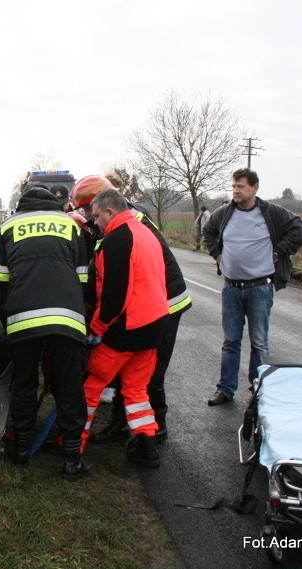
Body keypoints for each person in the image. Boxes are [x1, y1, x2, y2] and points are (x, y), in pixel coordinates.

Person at [70, 175, 192, 445]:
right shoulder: (124, 222)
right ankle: (129, 427)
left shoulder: (125, 228)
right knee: (135, 378)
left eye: (92, 212)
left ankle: (156, 427)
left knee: (150, 376)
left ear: (105, 207)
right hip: (151, 305)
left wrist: (98, 326)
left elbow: (113, 283)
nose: (90, 219)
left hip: (162, 304)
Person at [0, 187, 91, 480]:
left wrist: (1, 320)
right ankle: (72, 459)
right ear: (55, 203)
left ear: (22, 205)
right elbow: (83, 278)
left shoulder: (7, 227)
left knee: (24, 383)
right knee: (70, 386)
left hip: (21, 320)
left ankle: (20, 450)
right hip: (68, 319)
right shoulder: (71, 225)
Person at [79, 189, 169, 468]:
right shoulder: (146, 232)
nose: (95, 223)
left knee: (91, 384)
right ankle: (147, 447)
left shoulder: (116, 241)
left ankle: (73, 442)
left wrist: (97, 328)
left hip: (125, 330)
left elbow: (114, 295)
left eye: (96, 217)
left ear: (109, 211)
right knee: (136, 389)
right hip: (154, 327)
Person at [203, 168, 302, 406]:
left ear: (254, 188)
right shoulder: (224, 213)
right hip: (231, 288)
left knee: (259, 342)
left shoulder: (271, 213)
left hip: (260, 288)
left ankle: (258, 388)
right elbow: (208, 232)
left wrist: (279, 251)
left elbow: (300, 230)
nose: (236, 191)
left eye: (240, 186)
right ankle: (226, 389)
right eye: (234, 186)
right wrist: (216, 254)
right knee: (230, 341)